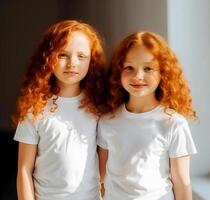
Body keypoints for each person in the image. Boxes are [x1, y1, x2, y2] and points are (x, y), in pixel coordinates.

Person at [97, 31, 197, 200]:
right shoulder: (107, 122)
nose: (138, 76)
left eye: (148, 68)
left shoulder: (173, 124)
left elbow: (182, 183)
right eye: (129, 68)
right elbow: (100, 176)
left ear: (163, 73)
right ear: (118, 72)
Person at [12, 20, 105, 200]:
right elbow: (24, 170)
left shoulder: (99, 107)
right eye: (63, 55)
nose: (72, 63)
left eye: (81, 56)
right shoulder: (35, 108)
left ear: (92, 61)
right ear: (47, 57)